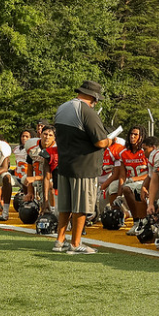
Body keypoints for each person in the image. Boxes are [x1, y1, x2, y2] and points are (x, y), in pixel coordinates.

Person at [52, 81, 110, 255]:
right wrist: (109, 141)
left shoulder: (63, 107)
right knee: (81, 206)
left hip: (65, 164)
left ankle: (59, 241)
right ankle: (76, 243)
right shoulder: (87, 111)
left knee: (65, 206)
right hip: (84, 167)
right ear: (93, 97)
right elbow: (100, 141)